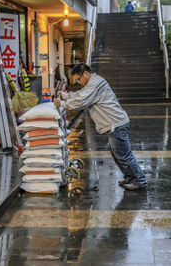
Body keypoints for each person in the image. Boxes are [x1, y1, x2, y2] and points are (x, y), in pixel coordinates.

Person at [54, 63, 147, 191]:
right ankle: (130, 177)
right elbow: (80, 94)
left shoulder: (95, 84)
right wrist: (65, 95)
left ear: (85, 73)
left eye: (78, 79)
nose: (78, 82)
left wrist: (62, 103)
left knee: (124, 155)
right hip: (115, 123)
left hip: (117, 123)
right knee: (117, 154)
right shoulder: (93, 83)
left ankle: (140, 181)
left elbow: (81, 101)